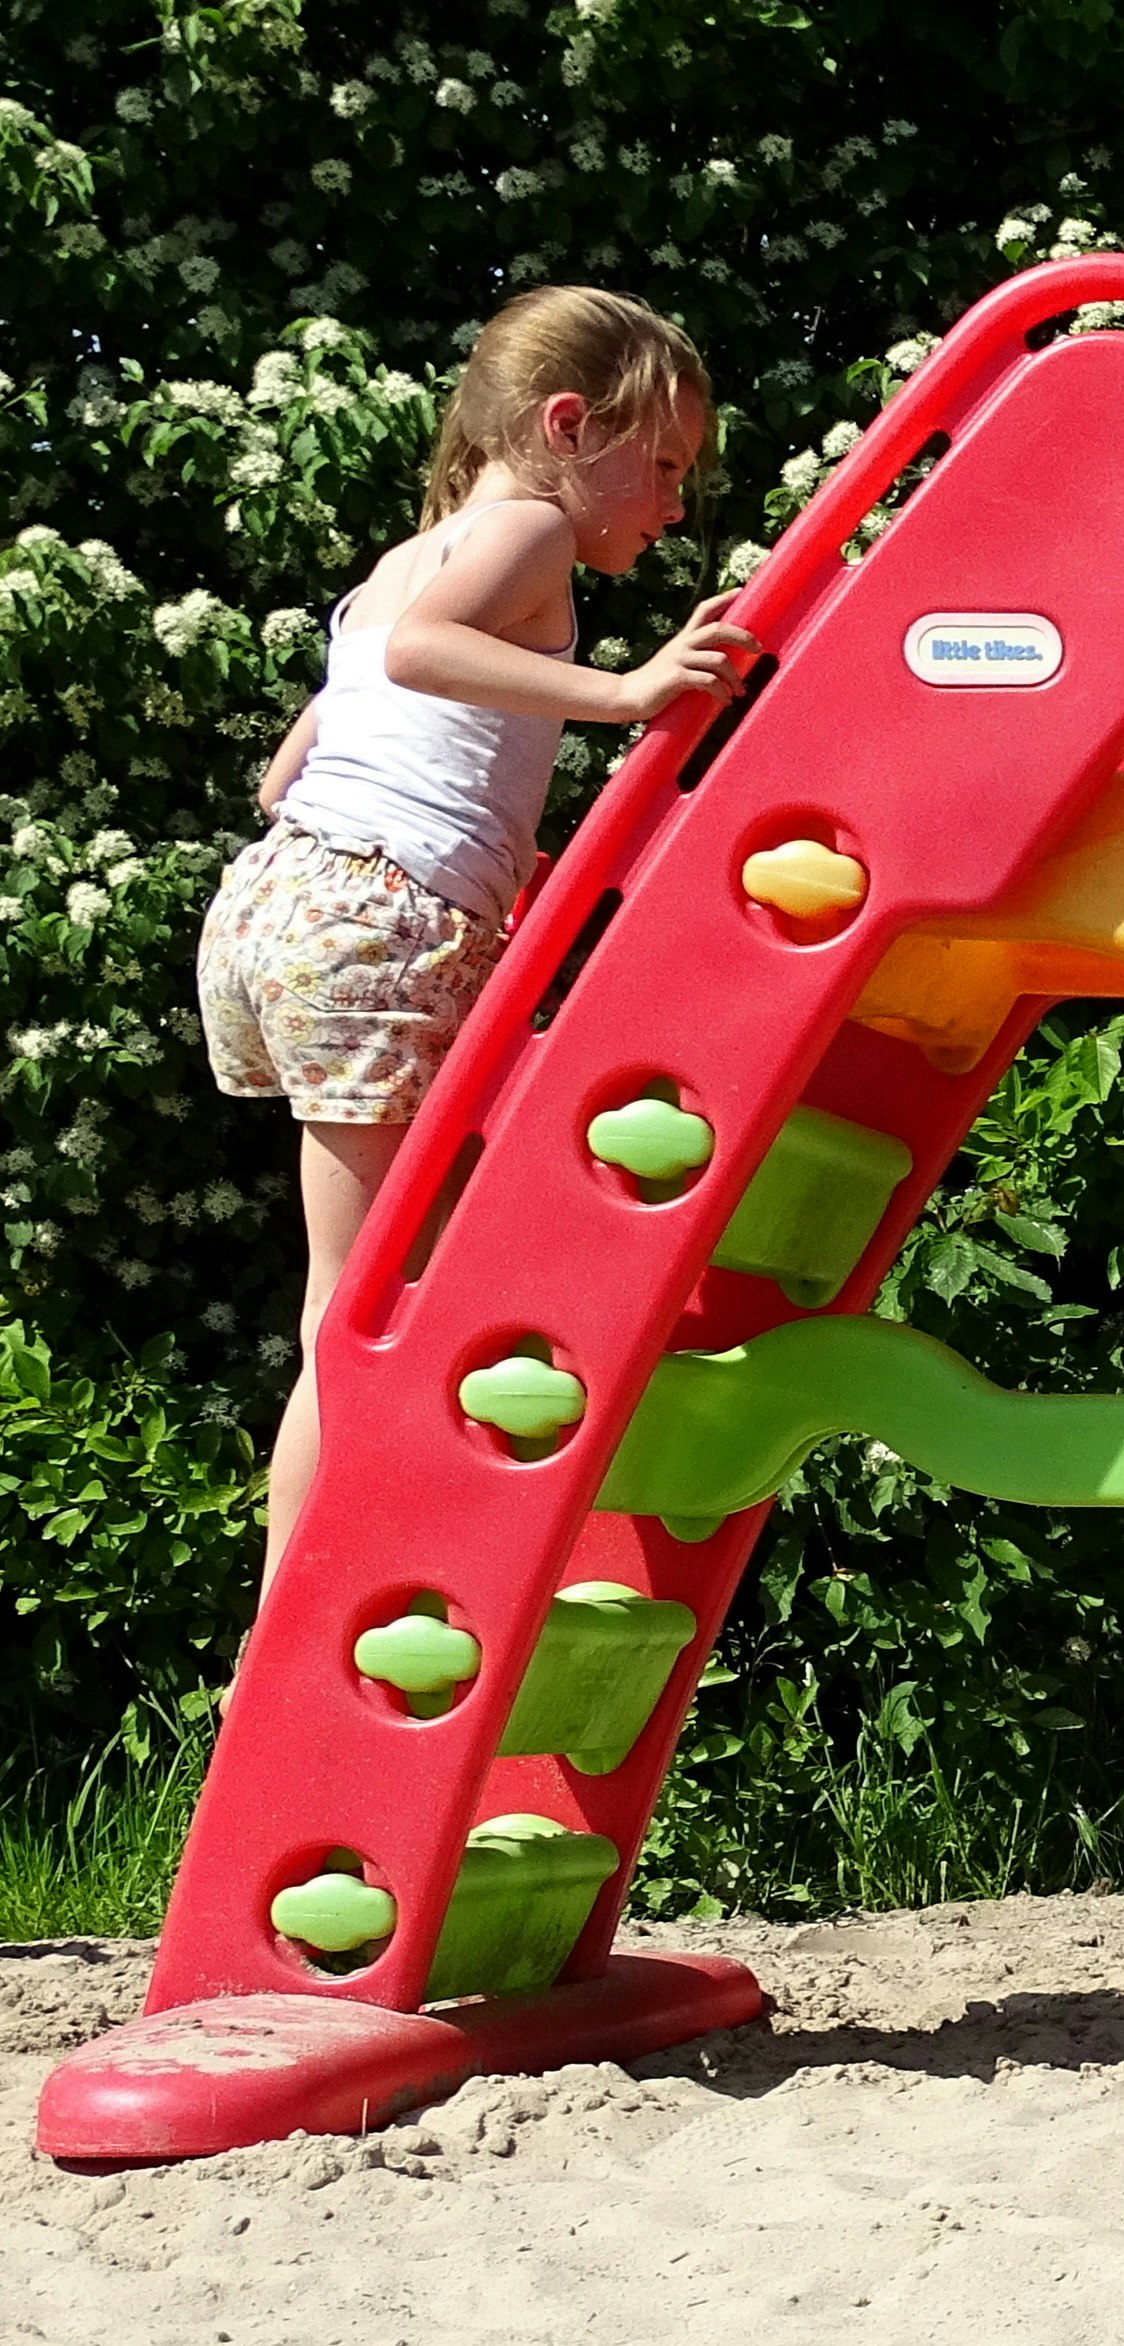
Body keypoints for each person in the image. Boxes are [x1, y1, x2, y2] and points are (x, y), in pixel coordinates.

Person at [200, 285, 757, 1575]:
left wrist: (493, 854)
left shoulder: (404, 562)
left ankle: (357, 1538)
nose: (674, 504)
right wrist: (625, 692)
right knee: (359, 1298)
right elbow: (428, 660)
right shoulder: (527, 534)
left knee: (385, 1265)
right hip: (371, 919)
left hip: (285, 903)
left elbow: (297, 770)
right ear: (569, 424)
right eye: (663, 464)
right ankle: (296, 1594)